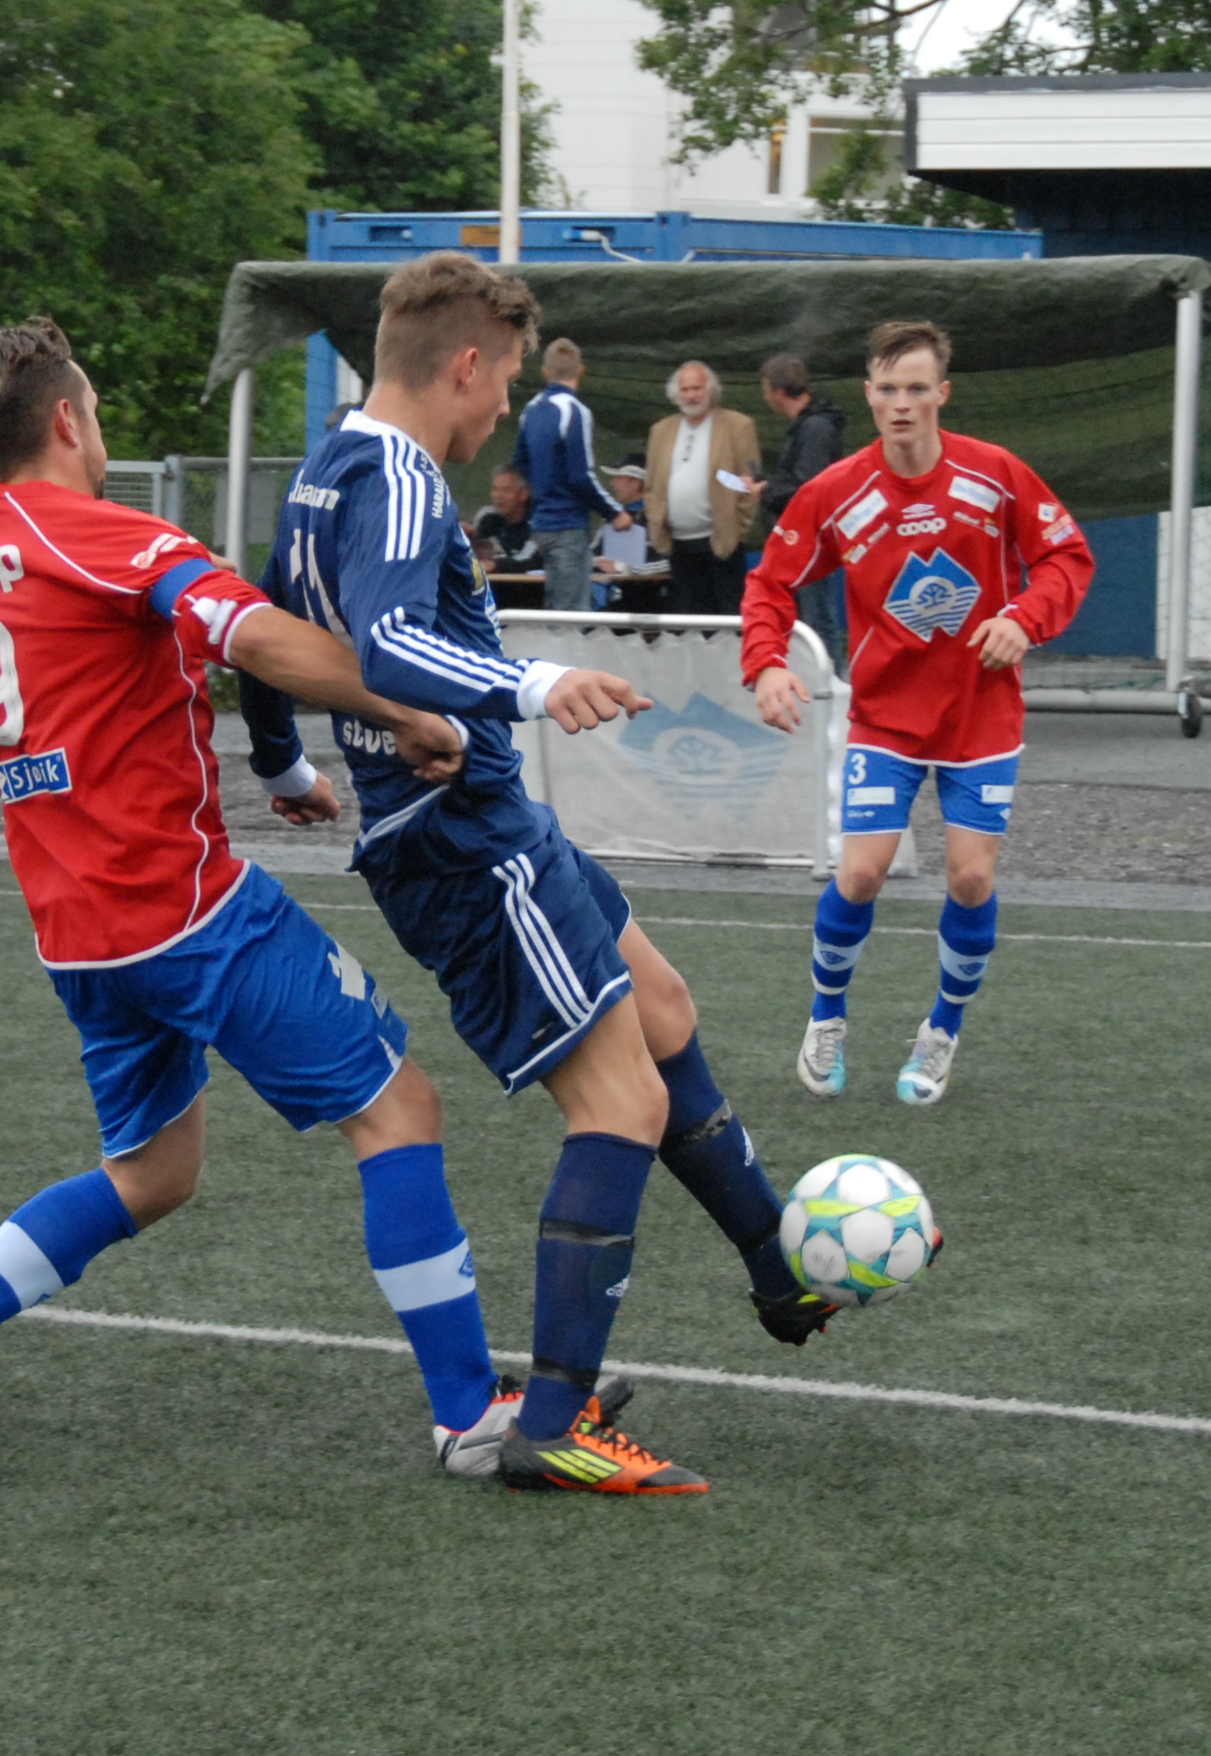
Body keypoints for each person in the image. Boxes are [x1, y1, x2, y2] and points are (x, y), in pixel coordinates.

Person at [0, 318, 552, 1474]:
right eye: (95, 409)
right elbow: (257, 638)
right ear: (65, 420)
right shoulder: (103, 535)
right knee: (399, 1108)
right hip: (182, 911)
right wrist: (407, 709)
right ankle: (469, 1414)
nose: (100, 429)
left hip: (76, 931)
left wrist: (282, 771)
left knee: (154, 1175)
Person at [244, 253, 845, 1495]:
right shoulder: (399, 479)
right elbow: (390, 644)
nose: (505, 407)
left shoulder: (325, 467)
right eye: (507, 380)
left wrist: (280, 763)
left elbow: (263, 630)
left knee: (660, 1007)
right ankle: (555, 1423)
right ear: (465, 364)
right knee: (620, 1103)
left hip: (479, 816)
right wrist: (535, 681)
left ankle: (777, 1265)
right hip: (458, 837)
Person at [743, 321, 1095, 1108]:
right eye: (888, 389)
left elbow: (1066, 556)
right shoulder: (838, 491)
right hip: (886, 720)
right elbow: (770, 582)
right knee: (860, 873)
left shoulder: (994, 474)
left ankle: (941, 1033)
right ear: (869, 395)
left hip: (981, 717)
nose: (901, 403)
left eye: (916, 388)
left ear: (943, 393)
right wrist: (766, 662)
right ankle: (826, 1017)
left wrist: (1025, 618)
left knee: (970, 877)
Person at [513, 336, 630, 617]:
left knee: (552, 609)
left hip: (540, 525)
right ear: (581, 370)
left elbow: (520, 461)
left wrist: (544, 486)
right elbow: (581, 476)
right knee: (571, 616)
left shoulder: (531, 410)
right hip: (568, 526)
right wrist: (614, 513)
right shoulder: (575, 411)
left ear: (545, 372)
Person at [645, 359, 762, 616]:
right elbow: (651, 485)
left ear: (710, 390)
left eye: (697, 388)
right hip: (678, 545)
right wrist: (657, 521)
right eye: (685, 390)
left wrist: (737, 531)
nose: (691, 395)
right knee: (693, 621)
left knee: (729, 620)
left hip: (722, 543)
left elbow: (750, 483)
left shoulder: (737, 426)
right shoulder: (661, 431)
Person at [756, 354, 850, 666]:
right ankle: (818, 677)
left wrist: (766, 492)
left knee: (818, 619)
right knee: (810, 617)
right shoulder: (810, 427)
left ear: (778, 391)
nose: (765, 396)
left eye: (766, 388)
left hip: (813, 540)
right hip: (803, 539)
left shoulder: (815, 428)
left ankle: (829, 682)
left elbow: (808, 487)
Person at [593, 459, 655, 599]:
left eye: (618, 478)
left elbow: (662, 561)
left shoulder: (656, 517)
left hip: (651, 595)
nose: (612, 484)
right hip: (616, 592)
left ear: (635, 483)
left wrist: (620, 566)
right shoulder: (614, 516)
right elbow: (595, 551)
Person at [471, 466, 545, 582]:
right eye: (495, 489)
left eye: (506, 490)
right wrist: (465, 535)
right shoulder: (487, 517)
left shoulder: (540, 521)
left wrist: (494, 564)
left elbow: (530, 560)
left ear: (523, 494)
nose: (498, 496)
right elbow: (474, 553)